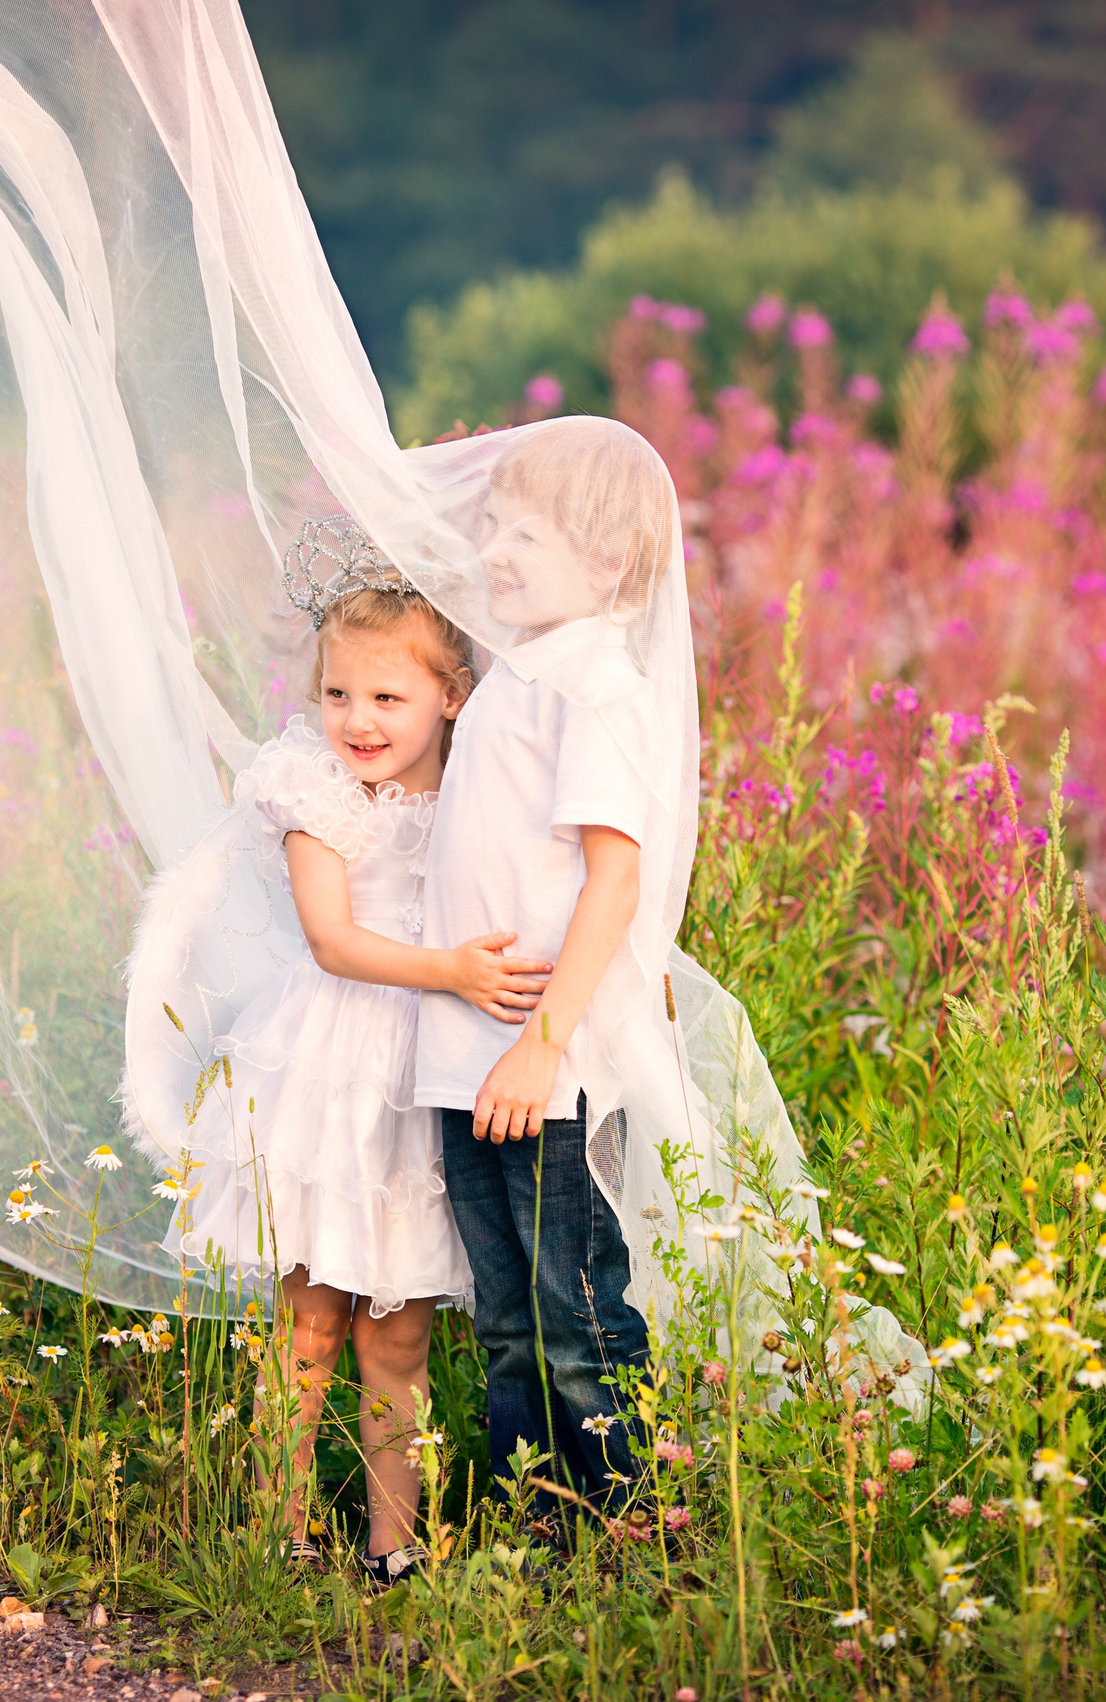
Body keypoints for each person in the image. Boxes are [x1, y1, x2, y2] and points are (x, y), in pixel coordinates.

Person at [138, 517, 550, 1581]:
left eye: (385, 698)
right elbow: (333, 938)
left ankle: (392, 1545)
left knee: (399, 1335)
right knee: (309, 1325)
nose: (356, 721)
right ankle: (278, 1530)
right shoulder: (313, 791)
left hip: (427, 1078)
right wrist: (456, 971)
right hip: (328, 1068)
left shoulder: (478, 779)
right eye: (337, 695)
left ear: (450, 697)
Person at [415, 417, 678, 1522]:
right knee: (506, 1318)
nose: (497, 552)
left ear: (610, 563)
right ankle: (536, 1532)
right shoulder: (518, 672)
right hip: (465, 1050)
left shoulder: (594, 687)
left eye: (528, 532)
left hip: (540, 1060)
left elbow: (614, 884)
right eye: (492, 526)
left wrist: (542, 1047)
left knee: (574, 1312)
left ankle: (626, 1534)